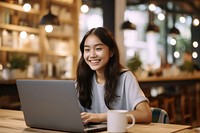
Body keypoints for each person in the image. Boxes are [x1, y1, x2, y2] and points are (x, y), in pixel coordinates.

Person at [75, 27, 152, 125]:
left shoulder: (126, 78)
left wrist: (100, 117)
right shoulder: (82, 80)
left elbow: (146, 114)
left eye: (98, 48)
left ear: (111, 51)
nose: (92, 55)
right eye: (87, 50)